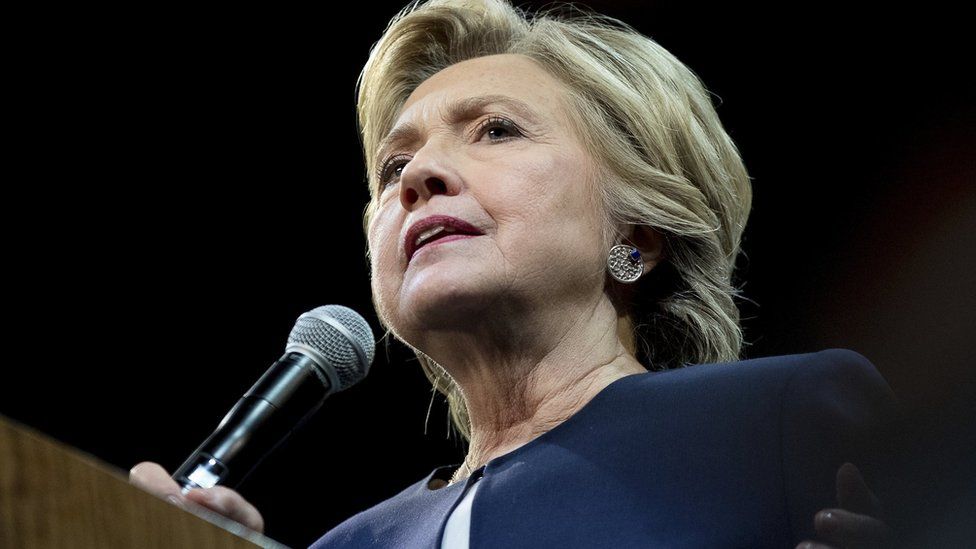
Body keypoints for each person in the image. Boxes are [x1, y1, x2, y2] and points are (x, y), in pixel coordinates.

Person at [129, 0, 901, 546]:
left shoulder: (779, 426)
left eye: (496, 130)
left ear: (638, 231)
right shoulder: (347, 544)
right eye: (395, 163)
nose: (418, 176)